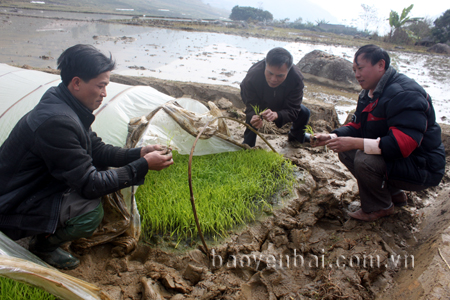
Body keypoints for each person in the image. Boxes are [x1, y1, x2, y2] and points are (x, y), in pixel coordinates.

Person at [0, 44, 174, 269]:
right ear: (76, 83)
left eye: (106, 86)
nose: (104, 94)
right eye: (100, 86)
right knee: (90, 213)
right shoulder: (57, 122)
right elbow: (90, 185)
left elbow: (97, 150)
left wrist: (139, 153)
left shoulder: (65, 105)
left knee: (104, 175)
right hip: (11, 203)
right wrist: (143, 165)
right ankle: (42, 245)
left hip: (32, 187)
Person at [313, 44, 445, 222]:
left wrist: (354, 143)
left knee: (364, 158)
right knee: (345, 149)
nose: (356, 75)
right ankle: (393, 194)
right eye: (354, 69)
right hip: (404, 161)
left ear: (381, 65)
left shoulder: (405, 94)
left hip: (423, 166)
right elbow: (358, 125)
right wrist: (332, 136)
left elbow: (402, 145)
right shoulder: (369, 93)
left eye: (360, 68)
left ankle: (379, 207)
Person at [240, 47, 311, 147]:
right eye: (270, 73)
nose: (273, 79)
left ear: (288, 71)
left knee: (304, 112)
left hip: (282, 102)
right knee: (254, 116)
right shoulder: (253, 76)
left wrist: (277, 115)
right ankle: (248, 143)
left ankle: (296, 137)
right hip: (260, 100)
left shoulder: (296, 79)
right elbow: (250, 102)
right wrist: (253, 115)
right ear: (266, 64)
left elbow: (293, 109)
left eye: (280, 76)